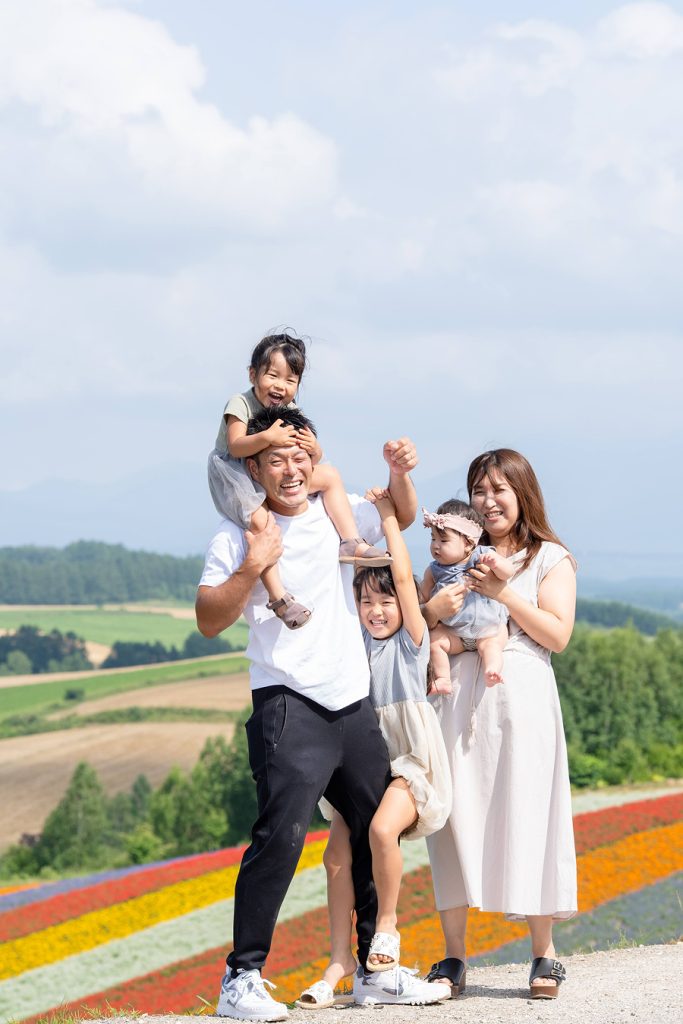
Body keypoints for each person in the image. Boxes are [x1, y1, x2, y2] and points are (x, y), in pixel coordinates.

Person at [196, 407, 439, 1020]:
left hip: (351, 701)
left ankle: (372, 972)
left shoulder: (337, 515)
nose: (290, 468)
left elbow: (400, 517)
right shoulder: (236, 536)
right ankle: (241, 979)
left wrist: (398, 471)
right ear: (253, 467)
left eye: (299, 455)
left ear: (315, 459)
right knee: (281, 836)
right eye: (274, 458)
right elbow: (206, 619)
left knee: (369, 827)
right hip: (287, 701)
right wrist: (254, 565)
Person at [423, 449, 577, 1001]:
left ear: (522, 493)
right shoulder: (454, 552)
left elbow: (557, 635)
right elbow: (419, 622)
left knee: (530, 812)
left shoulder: (550, 558)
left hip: (523, 703)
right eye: (479, 490)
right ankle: (453, 956)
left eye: (499, 490)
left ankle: (544, 952)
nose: (488, 501)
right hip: (457, 701)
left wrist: (503, 593)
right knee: (451, 818)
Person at [295, 489, 452, 1010]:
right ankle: (340, 962)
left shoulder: (410, 639)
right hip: (365, 760)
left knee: (384, 830)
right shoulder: (355, 640)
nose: (375, 609)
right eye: (366, 601)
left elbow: (403, 578)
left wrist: (387, 518)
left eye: (383, 601)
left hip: (410, 759)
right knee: (335, 855)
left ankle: (386, 928)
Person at [207, 331, 391, 629]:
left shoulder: (290, 412)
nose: (280, 386)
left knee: (329, 475)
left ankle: (349, 542)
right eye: (272, 375)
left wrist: (314, 449)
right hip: (235, 476)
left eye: (290, 380)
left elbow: (310, 458)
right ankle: (280, 598)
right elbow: (237, 445)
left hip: (273, 475)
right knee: (262, 525)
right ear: (253, 374)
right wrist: (268, 437)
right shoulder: (239, 403)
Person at [421, 499, 513, 693]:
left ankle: (492, 669)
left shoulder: (480, 556)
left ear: (469, 543)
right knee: (435, 641)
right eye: (433, 539)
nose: (436, 546)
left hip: (488, 628)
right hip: (455, 633)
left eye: (443, 540)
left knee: (491, 646)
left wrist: (496, 563)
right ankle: (443, 678)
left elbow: (508, 572)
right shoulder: (434, 570)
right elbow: (422, 597)